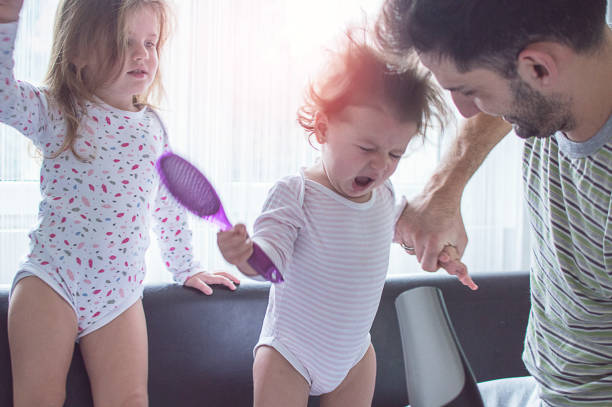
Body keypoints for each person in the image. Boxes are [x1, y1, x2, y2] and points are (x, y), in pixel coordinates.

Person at [216, 30, 478, 407]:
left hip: (354, 358)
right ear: (322, 128)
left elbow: (413, 233)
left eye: (395, 153)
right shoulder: (297, 193)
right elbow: (268, 260)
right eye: (367, 148)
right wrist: (244, 254)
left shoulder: (385, 197)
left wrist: (443, 253)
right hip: (288, 356)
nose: (380, 164)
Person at [0, 0, 240, 405]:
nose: (142, 54)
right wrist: (6, 20)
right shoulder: (57, 111)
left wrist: (186, 266)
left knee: (130, 399)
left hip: (118, 295)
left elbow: (167, 204)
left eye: (151, 42)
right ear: (76, 50)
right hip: (51, 281)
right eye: (124, 41)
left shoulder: (152, 129)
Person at [376, 0, 612, 406]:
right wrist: (447, 186)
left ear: (539, 69)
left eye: (469, 91)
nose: (465, 111)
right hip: (544, 386)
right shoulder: (570, 80)